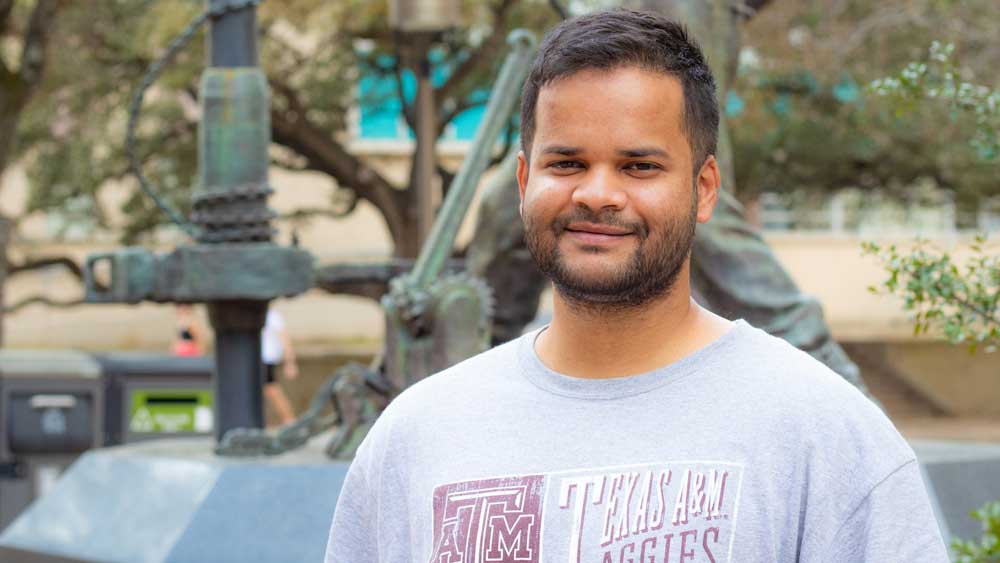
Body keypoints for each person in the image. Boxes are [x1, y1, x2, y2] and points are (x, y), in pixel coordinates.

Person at [326, 9, 947, 562]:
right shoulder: (416, 435)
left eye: (639, 166)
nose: (598, 194)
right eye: (566, 163)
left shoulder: (827, 433)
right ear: (523, 183)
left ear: (705, 189)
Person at [261, 307, 299, 426]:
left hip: (266, 358)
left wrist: (290, 362)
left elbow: (284, 338)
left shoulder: (272, 316)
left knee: (272, 389)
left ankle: (289, 419)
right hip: (259, 358)